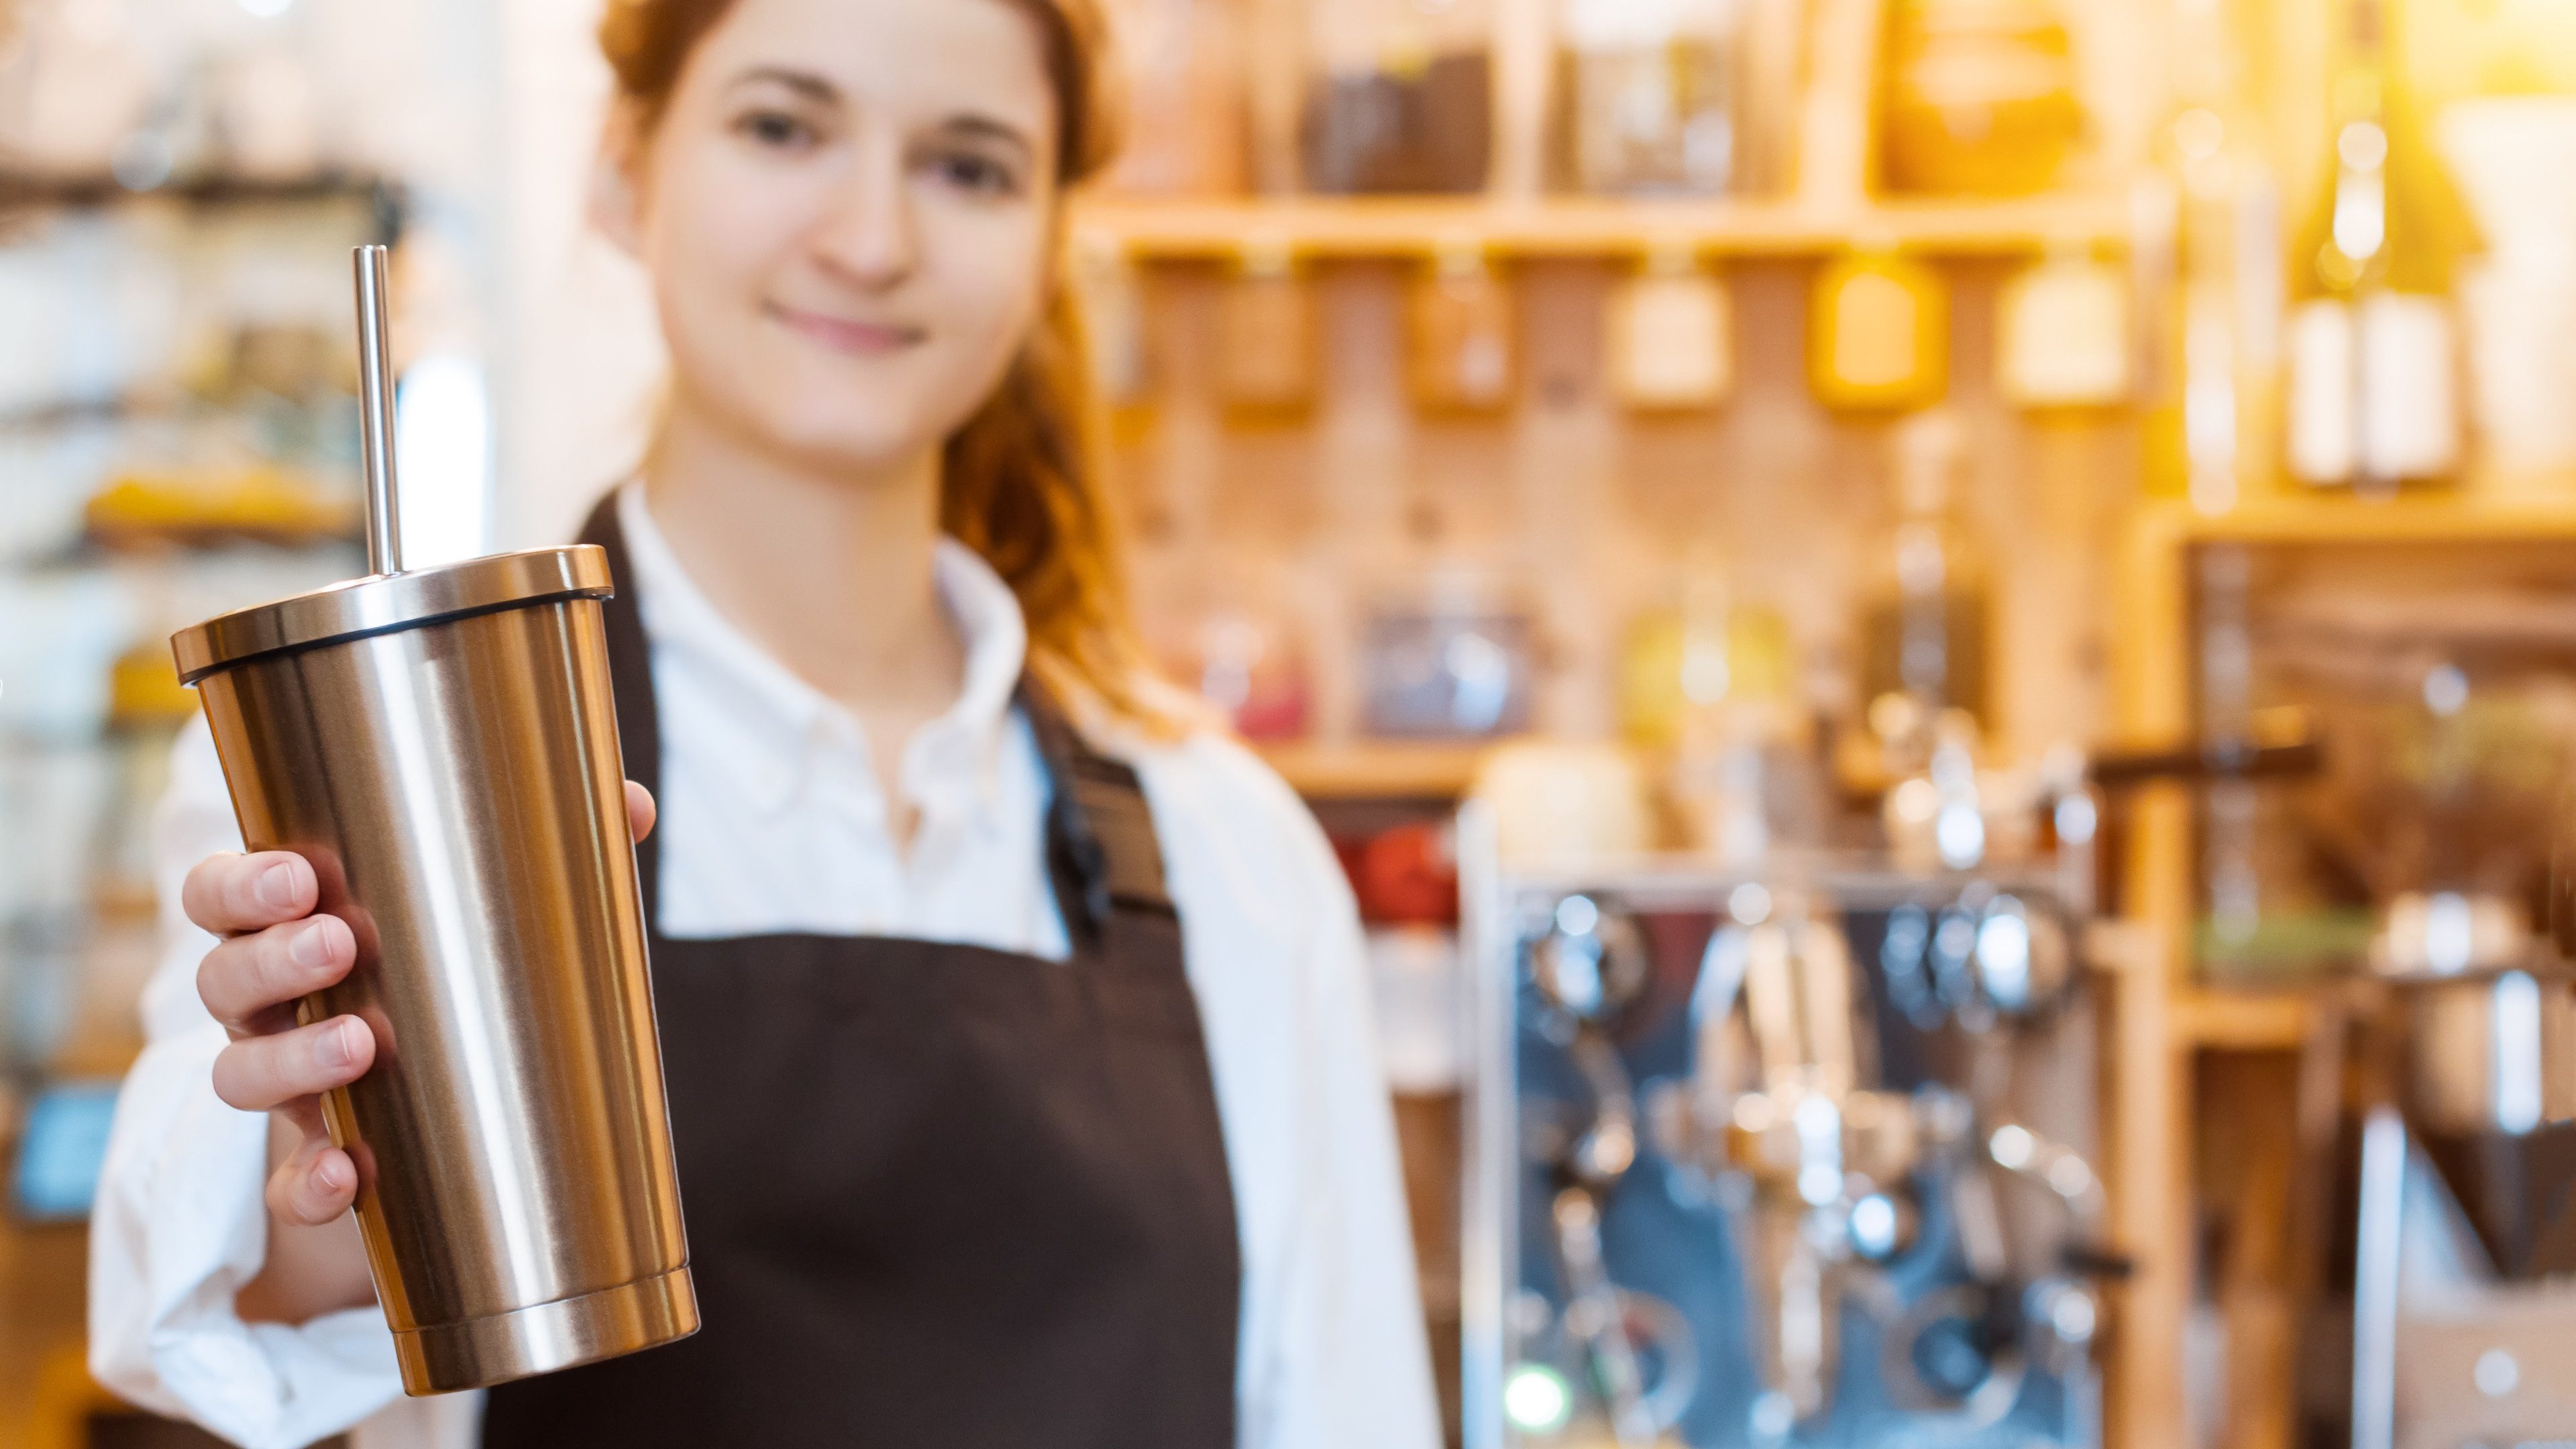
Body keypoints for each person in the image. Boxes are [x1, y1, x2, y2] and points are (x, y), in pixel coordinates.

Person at [88, 0, 1443, 1444]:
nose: (870, 237)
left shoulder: (1226, 848)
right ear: (626, 171)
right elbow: (214, 1317)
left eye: (969, 165)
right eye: (783, 127)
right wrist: (330, 1171)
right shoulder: (394, 778)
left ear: (1053, 237)